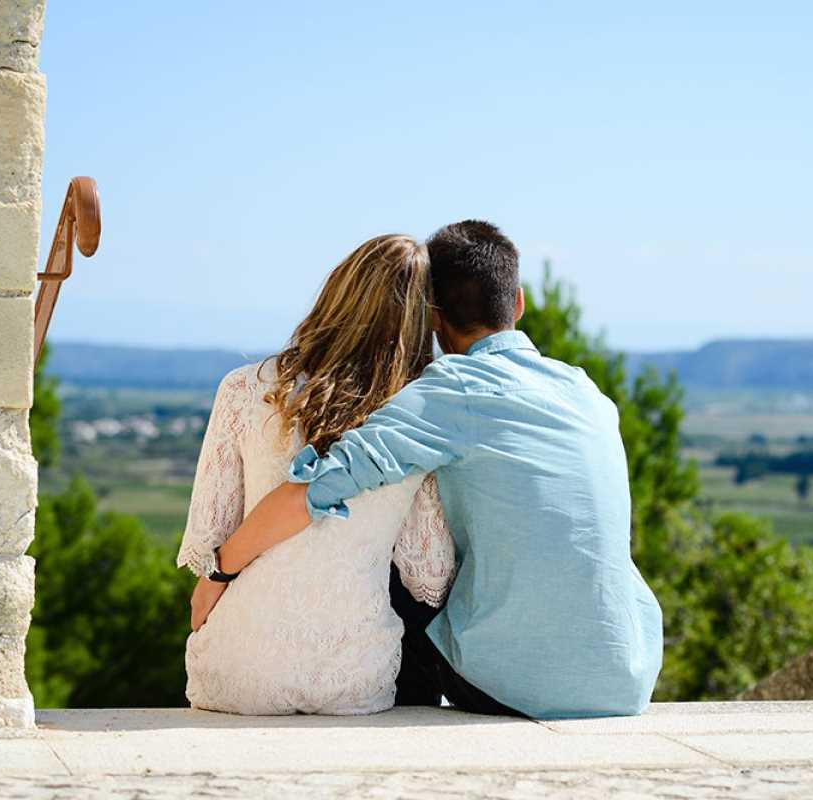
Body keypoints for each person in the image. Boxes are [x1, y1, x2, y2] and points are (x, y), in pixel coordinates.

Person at [194, 220, 663, 720]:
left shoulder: (449, 390)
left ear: (433, 317)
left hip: (512, 685)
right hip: (626, 676)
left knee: (391, 551)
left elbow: (318, 488)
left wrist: (217, 574)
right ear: (518, 303)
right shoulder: (586, 391)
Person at [176, 234, 456, 715]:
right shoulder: (417, 420)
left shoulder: (243, 389)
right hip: (354, 677)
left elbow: (209, 537)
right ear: (422, 320)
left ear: (338, 292)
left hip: (239, 667)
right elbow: (428, 572)